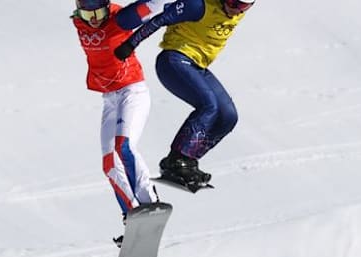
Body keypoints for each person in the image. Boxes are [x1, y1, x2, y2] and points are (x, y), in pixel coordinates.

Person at [114, 0, 256, 188]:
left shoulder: (236, 11)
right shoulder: (197, 5)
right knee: (209, 106)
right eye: (231, 2)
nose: (234, 9)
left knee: (228, 117)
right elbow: (160, 19)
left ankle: (187, 162)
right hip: (173, 61)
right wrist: (131, 44)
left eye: (242, 7)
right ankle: (176, 161)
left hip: (198, 66)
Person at [71, 0, 162, 237]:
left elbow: (154, 5)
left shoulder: (120, 19)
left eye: (98, 12)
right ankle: (132, 215)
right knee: (109, 164)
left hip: (132, 91)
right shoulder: (80, 21)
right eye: (86, 12)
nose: (92, 18)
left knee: (124, 146)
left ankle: (148, 200)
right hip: (109, 98)